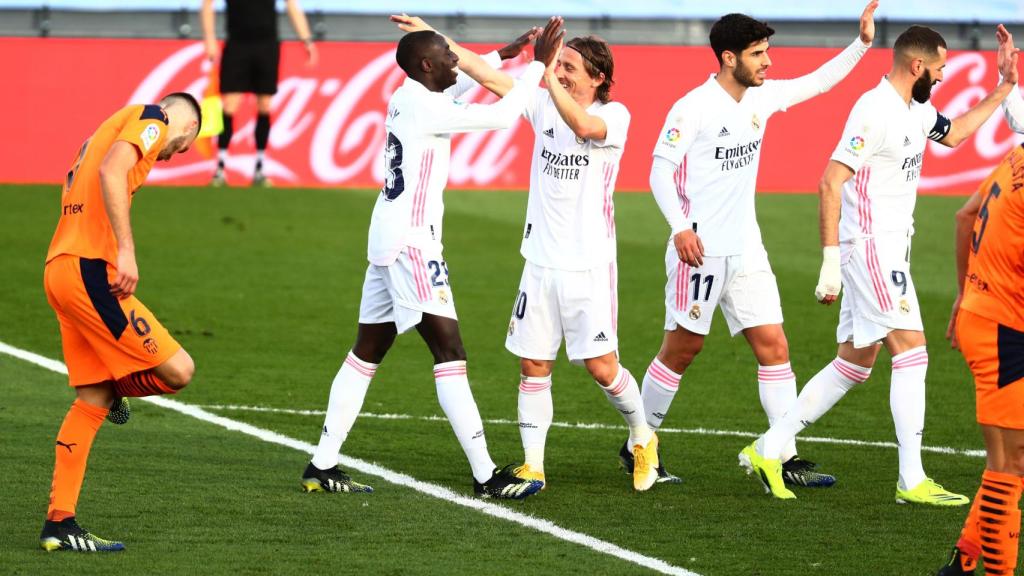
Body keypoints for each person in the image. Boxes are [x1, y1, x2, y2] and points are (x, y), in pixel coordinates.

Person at [742, 24, 1019, 505]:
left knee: (854, 363)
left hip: (888, 248)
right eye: (938, 69)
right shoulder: (874, 111)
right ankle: (911, 481)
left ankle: (769, 448)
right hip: (870, 247)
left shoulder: (915, 109)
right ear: (917, 67)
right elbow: (830, 182)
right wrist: (830, 263)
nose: (942, 77)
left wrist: (1004, 86)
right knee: (912, 353)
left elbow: (953, 135)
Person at [390, 15, 660, 492]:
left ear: (598, 78)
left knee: (602, 367)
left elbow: (582, 123)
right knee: (533, 365)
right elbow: (479, 70)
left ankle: (642, 436)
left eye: (570, 67)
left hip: (589, 264)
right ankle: (533, 463)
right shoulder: (541, 101)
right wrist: (430, 32)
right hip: (539, 260)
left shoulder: (615, 117)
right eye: (561, 63)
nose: (561, 72)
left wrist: (544, 70)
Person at [301, 18, 565, 500]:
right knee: (450, 353)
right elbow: (505, 116)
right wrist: (540, 65)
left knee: (366, 352)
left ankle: (321, 464)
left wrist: (504, 56)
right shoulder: (426, 106)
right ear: (427, 65)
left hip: (387, 237)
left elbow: (460, 79)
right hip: (413, 245)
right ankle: (486, 475)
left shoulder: (411, 94)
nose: (455, 59)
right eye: (448, 54)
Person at [636, 2, 878, 488]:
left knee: (775, 346)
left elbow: (818, 82)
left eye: (767, 52)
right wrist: (682, 227)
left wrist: (862, 44)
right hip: (699, 250)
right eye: (758, 53)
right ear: (728, 58)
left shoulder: (761, 99)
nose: (768, 62)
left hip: (747, 249)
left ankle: (780, 455)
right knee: (682, 350)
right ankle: (641, 444)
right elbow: (659, 168)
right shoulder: (693, 107)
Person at [39, 93, 202, 551]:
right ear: (185, 128)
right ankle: (120, 388)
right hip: (91, 270)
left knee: (90, 398)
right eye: (181, 149)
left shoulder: (98, 134)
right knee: (179, 371)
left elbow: (82, 180)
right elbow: (113, 171)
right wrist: (125, 250)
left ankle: (59, 523)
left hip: (60, 268)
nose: (172, 156)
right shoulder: (154, 118)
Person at [937, 27, 1023, 576]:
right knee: (1009, 464)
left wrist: (963, 293)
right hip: (1003, 331)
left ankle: (966, 560)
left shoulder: (1016, 157)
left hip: (985, 313)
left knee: (1013, 460)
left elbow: (965, 215)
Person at [201, 0, 317, 187]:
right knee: (230, 104)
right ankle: (220, 167)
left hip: (267, 45)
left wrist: (306, 40)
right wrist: (209, 38)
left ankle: (260, 167)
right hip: (237, 44)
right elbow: (207, 4)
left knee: (265, 105)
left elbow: (292, 4)